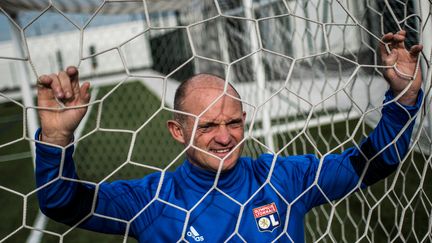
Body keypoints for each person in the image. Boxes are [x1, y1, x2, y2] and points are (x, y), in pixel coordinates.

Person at [35, 30, 423, 242]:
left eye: (233, 122)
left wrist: (403, 97)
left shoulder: (282, 179)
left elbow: (374, 162)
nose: (224, 137)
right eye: (207, 125)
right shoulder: (149, 201)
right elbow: (62, 204)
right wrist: (55, 141)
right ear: (177, 130)